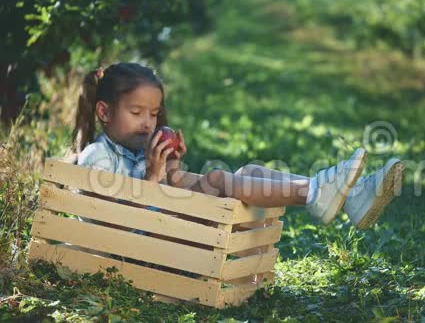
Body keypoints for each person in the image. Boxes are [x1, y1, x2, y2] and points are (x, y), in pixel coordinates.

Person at [71, 62, 404, 230]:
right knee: (217, 179)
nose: (148, 123)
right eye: (136, 113)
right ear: (104, 112)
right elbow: (118, 223)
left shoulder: (135, 151)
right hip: (143, 246)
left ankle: (347, 196)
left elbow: (168, 194)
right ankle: (318, 194)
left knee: (251, 172)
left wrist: (171, 170)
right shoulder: (96, 158)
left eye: (154, 114)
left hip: (165, 232)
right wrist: (155, 177)